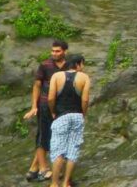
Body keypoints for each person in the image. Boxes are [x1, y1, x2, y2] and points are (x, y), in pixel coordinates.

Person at [23, 40, 68, 182]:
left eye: (57, 51)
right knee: (43, 135)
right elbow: (36, 86)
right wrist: (33, 106)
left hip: (61, 106)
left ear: (64, 51)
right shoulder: (45, 65)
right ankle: (43, 169)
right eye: (53, 51)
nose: (54, 53)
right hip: (44, 105)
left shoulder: (69, 65)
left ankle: (33, 168)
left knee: (55, 135)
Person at [47, 53, 90, 187]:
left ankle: (54, 184)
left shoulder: (56, 76)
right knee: (73, 150)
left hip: (61, 116)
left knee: (58, 150)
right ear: (78, 64)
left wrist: (53, 111)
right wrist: (83, 113)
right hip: (77, 116)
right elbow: (85, 99)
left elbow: (50, 98)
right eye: (82, 64)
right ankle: (66, 183)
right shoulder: (84, 78)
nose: (82, 67)